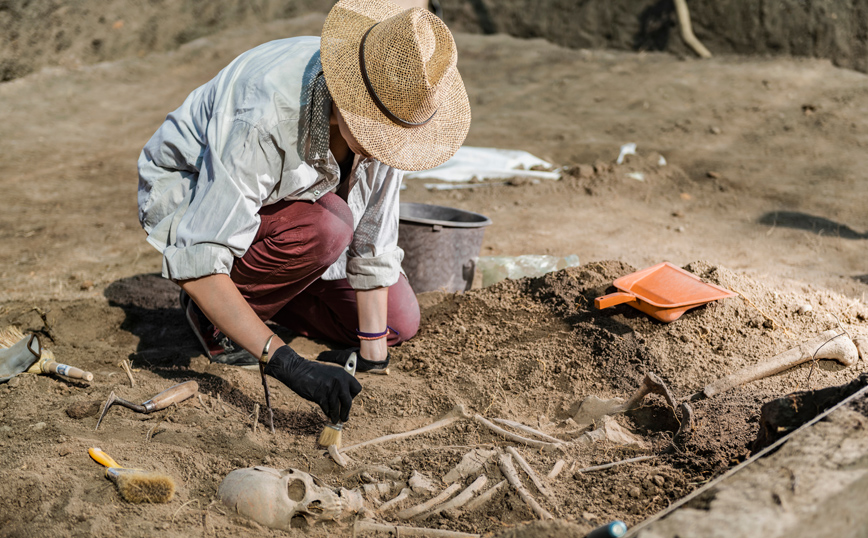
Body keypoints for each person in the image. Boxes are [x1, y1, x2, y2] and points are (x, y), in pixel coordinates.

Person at [136, 0, 470, 427]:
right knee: (328, 226)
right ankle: (213, 320)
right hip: (194, 196)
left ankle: (264, 293)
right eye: (378, 132)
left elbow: (374, 241)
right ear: (348, 101)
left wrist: (372, 358)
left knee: (397, 322)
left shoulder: (396, 104)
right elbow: (199, 258)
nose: (386, 147)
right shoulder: (264, 115)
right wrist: (287, 363)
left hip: (292, 218)